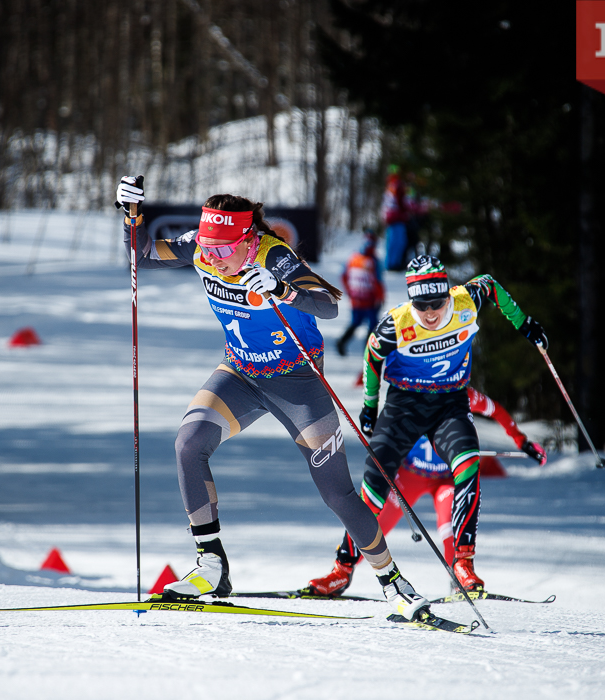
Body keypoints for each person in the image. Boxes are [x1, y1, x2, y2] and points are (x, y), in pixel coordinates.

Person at [116, 176, 432, 621]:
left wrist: (284, 290)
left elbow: (329, 304)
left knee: (337, 493)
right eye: (207, 247)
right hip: (240, 373)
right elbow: (144, 254)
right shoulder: (205, 248)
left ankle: (393, 582)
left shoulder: (274, 256)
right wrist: (131, 216)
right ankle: (211, 564)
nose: (214, 258)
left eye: (225, 249)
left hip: (298, 381)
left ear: (248, 240)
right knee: (188, 444)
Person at [306, 255, 548, 596]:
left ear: (449, 295)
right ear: (411, 301)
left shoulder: (466, 301)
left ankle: (463, 564)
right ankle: (341, 569)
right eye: (422, 305)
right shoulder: (395, 324)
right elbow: (373, 358)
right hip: (405, 405)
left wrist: (524, 323)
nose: (431, 312)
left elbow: (491, 284)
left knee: (468, 467)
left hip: (450, 403)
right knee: (373, 490)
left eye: (438, 302)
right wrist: (370, 407)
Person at [307, 387, 547, 596]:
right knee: (370, 520)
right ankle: (341, 572)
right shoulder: (409, 393)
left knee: (451, 524)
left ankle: (460, 579)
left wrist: (521, 440)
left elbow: (495, 410)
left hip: (445, 478)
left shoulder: (463, 394)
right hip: (411, 475)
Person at [336, 229, 385, 356]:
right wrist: (381, 297)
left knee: (357, 323)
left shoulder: (353, 257)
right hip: (369, 300)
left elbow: (343, 275)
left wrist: (350, 291)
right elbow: (378, 281)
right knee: (371, 326)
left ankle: (342, 342)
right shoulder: (373, 261)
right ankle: (368, 352)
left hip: (357, 298)